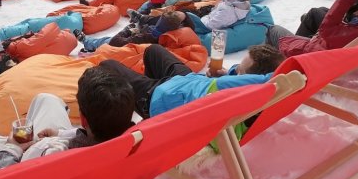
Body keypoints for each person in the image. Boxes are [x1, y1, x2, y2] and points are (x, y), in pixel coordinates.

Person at [0, 66, 135, 173]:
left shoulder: (54, 157)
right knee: (47, 98)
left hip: (19, 164)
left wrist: (13, 147)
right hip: (56, 148)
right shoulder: (131, 140)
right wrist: (60, 134)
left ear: (84, 120)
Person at [100, 44, 284, 119]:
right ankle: (142, 84)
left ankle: (139, 109)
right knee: (153, 50)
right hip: (188, 82)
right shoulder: (247, 89)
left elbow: (272, 77)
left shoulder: (260, 85)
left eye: (241, 72)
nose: (237, 72)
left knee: (107, 65)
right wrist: (231, 74)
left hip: (162, 99)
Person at [265, 0, 358, 57]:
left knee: (273, 30)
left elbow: (326, 31)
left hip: (309, 56)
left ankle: (270, 65)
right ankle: (305, 24)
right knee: (317, 13)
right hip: (322, 49)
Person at [75, 10, 188, 52]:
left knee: (106, 41)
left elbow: (117, 41)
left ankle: (87, 42)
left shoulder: (149, 37)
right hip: (138, 36)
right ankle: (139, 17)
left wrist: (126, 30)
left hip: (123, 45)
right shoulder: (170, 34)